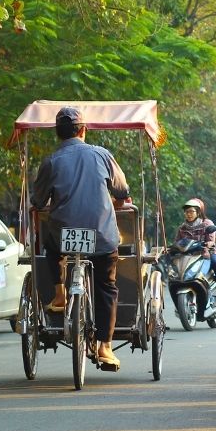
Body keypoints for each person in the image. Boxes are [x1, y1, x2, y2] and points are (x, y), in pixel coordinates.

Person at [31, 106, 129, 369]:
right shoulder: (102, 155)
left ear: (57, 134)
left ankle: (60, 292)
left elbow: (38, 200)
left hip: (63, 236)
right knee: (106, 285)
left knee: (51, 245)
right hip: (102, 236)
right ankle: (105, 347)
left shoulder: (51, 161)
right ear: (83, 130)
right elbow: (122, 190)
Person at [174, 198, 216, 298]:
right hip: (189, 255)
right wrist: (173, 248)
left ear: (199, 212)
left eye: (191, 211)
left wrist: (208, 244)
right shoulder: (182, 228)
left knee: (215, 262)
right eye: (186, 212)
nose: (188, 214)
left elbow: (211, 240)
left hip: (207, 253)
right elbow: (177, 242)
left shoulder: (207, 224)